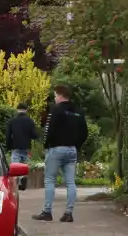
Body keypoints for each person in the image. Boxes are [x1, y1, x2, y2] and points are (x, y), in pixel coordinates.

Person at [33, 85, 88, 223]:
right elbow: (84, 133)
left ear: (60, 95)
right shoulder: (78, 111)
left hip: (56, 149)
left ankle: (47, 211)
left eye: (55, 96)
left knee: (50, 179)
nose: (55, 98)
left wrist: (46, 145)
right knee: (70, 182)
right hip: (71, 150)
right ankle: (68, 213)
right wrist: (77, 145)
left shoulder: (56, 110)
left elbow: (49, 130)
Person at [5, 102, 39, 191]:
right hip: (26, 147)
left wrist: (8, 146)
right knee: (24, 165)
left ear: (17, 110)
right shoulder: (30, 121)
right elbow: (35, 135)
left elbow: (8, 135)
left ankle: (18, 181)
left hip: (15, 147)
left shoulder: (12, 121)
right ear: (26, 110)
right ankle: (23, 177)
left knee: (15, 166)